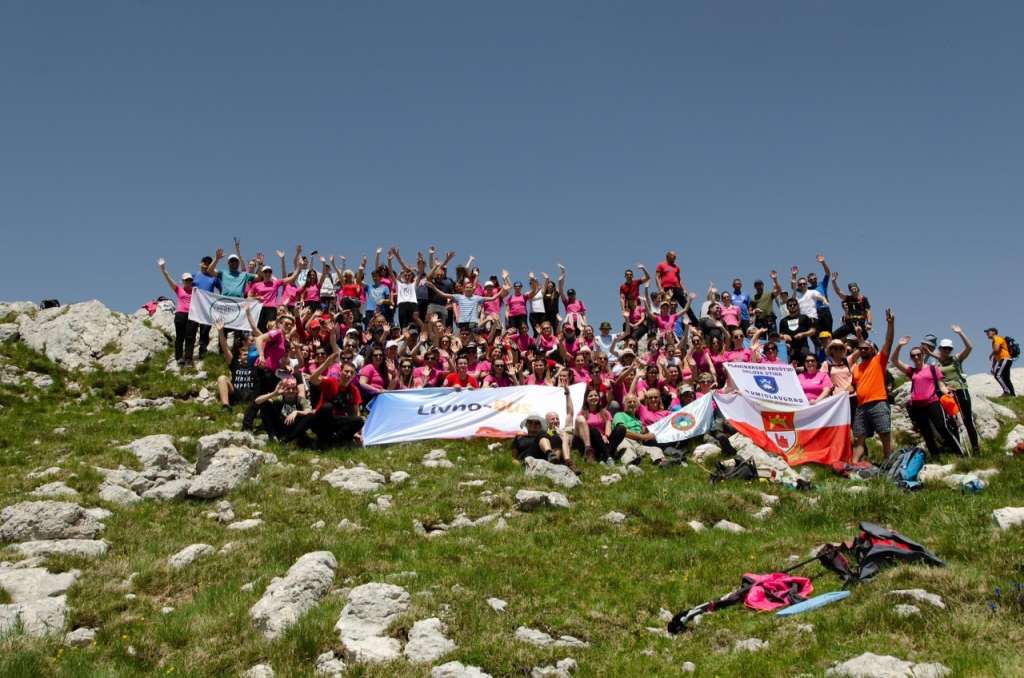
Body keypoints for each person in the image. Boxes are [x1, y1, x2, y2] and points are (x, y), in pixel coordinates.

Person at [892, 336, 963, 457]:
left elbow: (941, 385)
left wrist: (947, 392)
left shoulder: (932, 369)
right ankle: (936, 457)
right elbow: (894, 360)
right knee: (926, 433)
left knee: (942, 428)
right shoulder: (911, 371)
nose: (916, 357)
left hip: (932, 402)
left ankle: (959, 453)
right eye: (913, 355)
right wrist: (899, 345)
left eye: (918, 354)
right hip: (917, 406)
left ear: (923, 355)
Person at [850, 308, 895, 464]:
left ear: (872, 350)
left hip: (878, 402)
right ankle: (854, 464)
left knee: (884, 435)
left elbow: (888, 342)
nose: (863, 350)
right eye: (860, 348)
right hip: (861, 407)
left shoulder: (878, 361)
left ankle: (889, 463)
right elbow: (852, 388)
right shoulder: (856, 368)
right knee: (859, 438)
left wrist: (890, 324)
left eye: (866, 348)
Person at [929, 325, 979, 453]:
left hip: (961, 390)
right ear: (940, 349)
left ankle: (975, 449)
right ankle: (958, 450)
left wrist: (960, 332)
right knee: (952, 421)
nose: (946, 350)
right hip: (947, 394)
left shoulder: (956, 359)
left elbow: (969, 347)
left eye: (948, 349)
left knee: (967, 420)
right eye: (944, 348)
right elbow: (936, 358)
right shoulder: (937, 363)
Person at [157, 258, 198, 366]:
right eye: (186, 280)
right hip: (180, 314)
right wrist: (163, 269)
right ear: (183, 281)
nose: (188, 282)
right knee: (180, 337)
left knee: (190, 337)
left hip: (192, 315)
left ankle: (189, 359)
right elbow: (169, 280)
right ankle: (179, 358)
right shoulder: (179, 289)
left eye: (189, 280)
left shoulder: (196, 291)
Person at [612, 394, 667, 466]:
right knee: (626, 447)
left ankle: (661, 462)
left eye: (634, 402)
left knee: (656, 449)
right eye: (629, 402)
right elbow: (623, 432)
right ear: (624, 404)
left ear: (637, 405)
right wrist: (643, 437)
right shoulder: (619, 415)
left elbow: (642, 436)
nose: (632, 404)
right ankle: (631, 464)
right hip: (624, 440)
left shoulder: (638, 421)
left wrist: (648, 434)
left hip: (638, 444)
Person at [214, 320, 257, 413]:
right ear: (240, 355)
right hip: (236, 392)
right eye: (245, 354)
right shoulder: (235, 363)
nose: (247, 357)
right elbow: (225, 348)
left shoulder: (255, 364)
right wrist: (221, 332)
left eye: (249, 355)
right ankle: (226, 406)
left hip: (251, 394)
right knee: (222, 378)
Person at [574, 389, 626, 462]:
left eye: (596, 395)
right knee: (593, 430)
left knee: (621, 429)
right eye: (590, 396)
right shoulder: (582, 413)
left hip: (604, 440)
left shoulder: (605, 412)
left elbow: (608, 428)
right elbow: (582, 430)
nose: (593, 397)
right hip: (592, 440)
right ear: (586, 399)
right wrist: (600, 436)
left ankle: (603, 454)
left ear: (599, 398)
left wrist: (606, 436)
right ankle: (608, 455)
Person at [986, 327, 1016, 397]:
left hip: (1005, 359)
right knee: (1006, 378)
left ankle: (1006, 391)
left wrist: (991, 354)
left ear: (994, 332)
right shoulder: (994, 341)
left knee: (998, 375)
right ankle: (1012, 395)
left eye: (988, 332)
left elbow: (996, 350)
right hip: (1005, 360)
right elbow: (996, 356)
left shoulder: (997, 338)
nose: (987, 333)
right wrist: (993, 367)